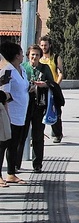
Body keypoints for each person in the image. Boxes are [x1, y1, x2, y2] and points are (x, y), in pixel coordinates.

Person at [22, 45, 56, 173]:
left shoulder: (44, 68)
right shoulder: (23, 68)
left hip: (39, 104)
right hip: (24, 105)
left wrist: (44, 84)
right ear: (28, 55)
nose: (34, 57)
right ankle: (14, 165)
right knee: (21, 135)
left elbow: (52, 84)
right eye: (32, 54)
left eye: (37, 55)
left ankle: (37, 164)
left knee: (37, 135)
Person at [0, 42, 30, 184]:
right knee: (3, 146)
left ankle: (11, 173)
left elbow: (23, 87)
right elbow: (4, 94)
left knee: (14, 145)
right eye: (21, 53)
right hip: (9, 115)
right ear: (16, 55)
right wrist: (6, 115)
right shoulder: (7, 71)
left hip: (21, 114)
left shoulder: (22, 70)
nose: (23, 55)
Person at [39, 37, 64, 143]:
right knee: (40, 113)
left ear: (50, 45)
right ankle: (38, 134)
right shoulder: (39, 59)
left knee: (55, 112)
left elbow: (60, 73)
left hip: (53, 89)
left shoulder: (55, 58)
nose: (44, 47)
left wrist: (55, 86)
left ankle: (57, 134)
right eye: (42, 45)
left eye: (46, 45)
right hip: (41, 90)